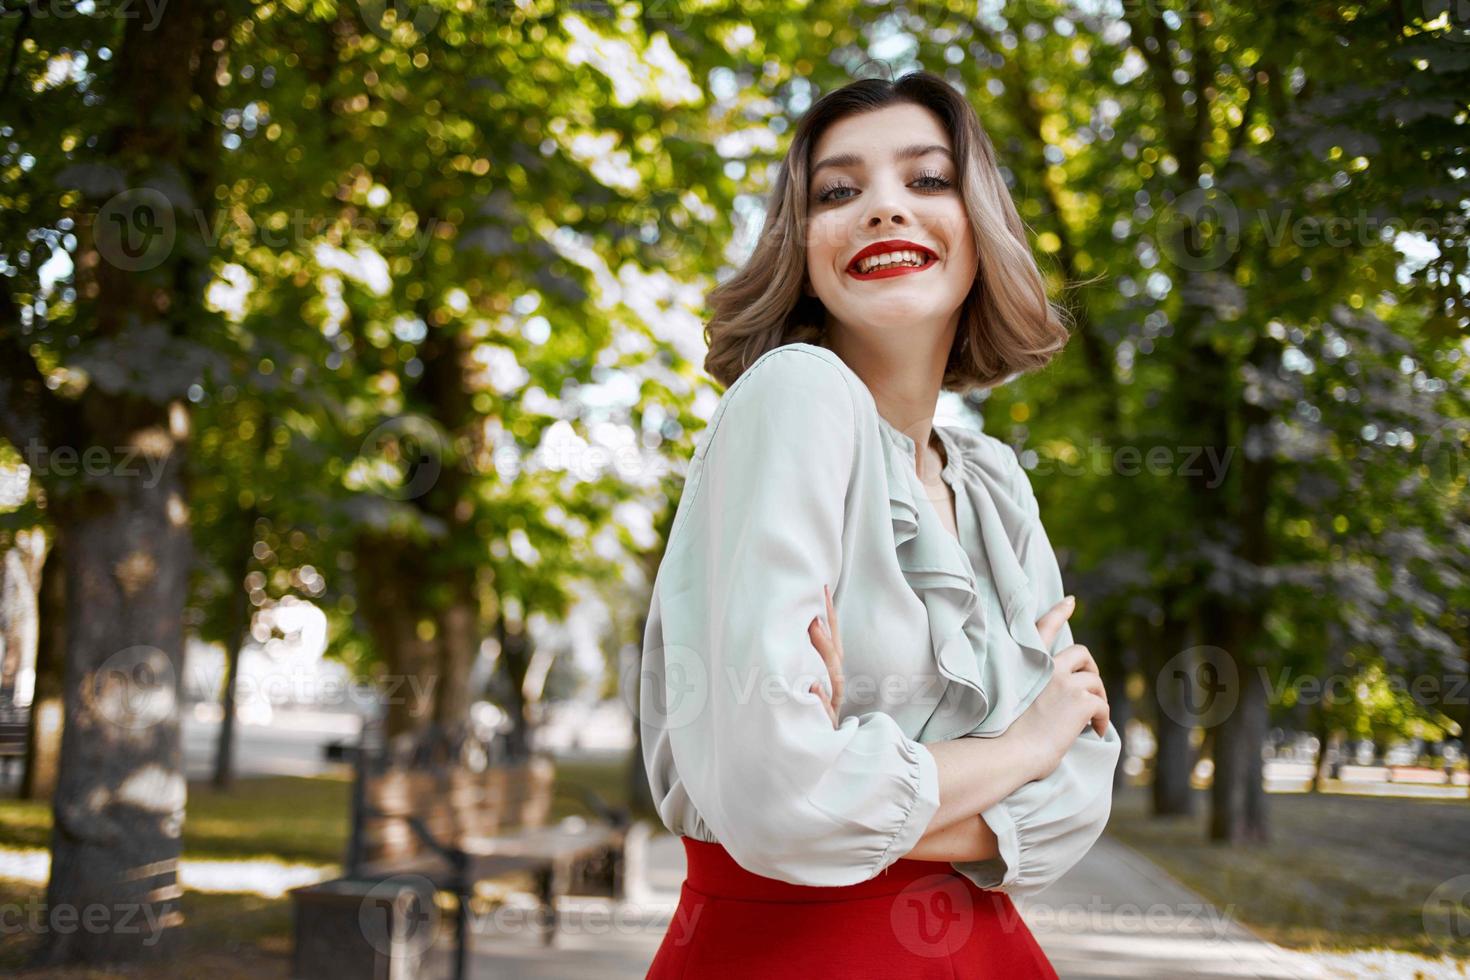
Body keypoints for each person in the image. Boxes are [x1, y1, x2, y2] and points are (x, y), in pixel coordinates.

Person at [639, 69, 1121, 979]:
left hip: (987, 951)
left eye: (928, 180)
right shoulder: (795, 395)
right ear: (804, 243)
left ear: (980, 226)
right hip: (797, 953)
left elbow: (1075, 806)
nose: (883, 209)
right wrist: (1022, 745)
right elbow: (779, 802)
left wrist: (869, 784)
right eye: (839, 191)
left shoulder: (991, 481)